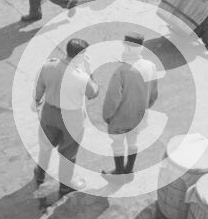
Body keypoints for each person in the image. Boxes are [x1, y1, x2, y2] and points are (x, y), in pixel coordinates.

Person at [34, 38, 99, 198]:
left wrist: (37, 100)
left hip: (49, 112)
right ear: (80, 55)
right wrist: (90, 71)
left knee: (45, 146)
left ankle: (39, 174)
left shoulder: (48, 65)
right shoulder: (81, 77)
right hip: (72, 117)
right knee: (68, 153)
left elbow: (40, 87)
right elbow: (94, 93)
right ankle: (64, 186)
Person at [102, 33, 158, 175]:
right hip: (140, 115)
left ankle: (119, 170)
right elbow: (154, 94)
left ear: (126, 49)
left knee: (118, 144)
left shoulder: (121, 71)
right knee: (133, 142)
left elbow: (112, 99)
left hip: (121, 118)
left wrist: (107, 116)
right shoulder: (150, 66)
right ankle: (129, 169)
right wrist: (144, 107)